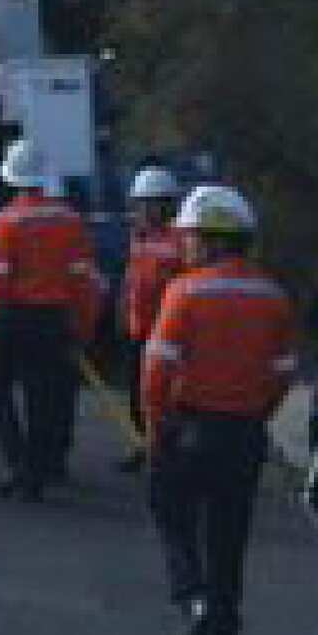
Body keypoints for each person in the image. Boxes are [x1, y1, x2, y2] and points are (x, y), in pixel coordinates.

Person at [141, 185, 298, 635]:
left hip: (191, 428)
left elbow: (156, 373)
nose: (185, 247)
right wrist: (257, 412)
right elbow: (284, 372)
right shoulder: (274, 296)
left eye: (189, 238)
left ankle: (195, 600)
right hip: (246, 433)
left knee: (170, 510)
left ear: (210, 240)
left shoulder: (184, 292)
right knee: (230, 536)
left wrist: (156, 428)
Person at [0, 137, 102, 501]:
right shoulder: (70, 221)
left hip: (15, 317)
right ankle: (46, 463)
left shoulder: (6, 221)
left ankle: (18, 464)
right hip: (56, 318)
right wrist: (84, 326)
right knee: (47, 394)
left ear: (11, 179)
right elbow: (83, 279)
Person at [109, 166, 193, 466]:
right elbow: (132, 279)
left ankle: (165, 450)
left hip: (166, 332)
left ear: (165, 204)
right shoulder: (139, 238)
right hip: (138, 330)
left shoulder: (180, 241)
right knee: (137, 394)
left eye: (149, 204)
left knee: (165, 395)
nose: (142, 210)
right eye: (139, 203)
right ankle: (145, 445)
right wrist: (122, 309)